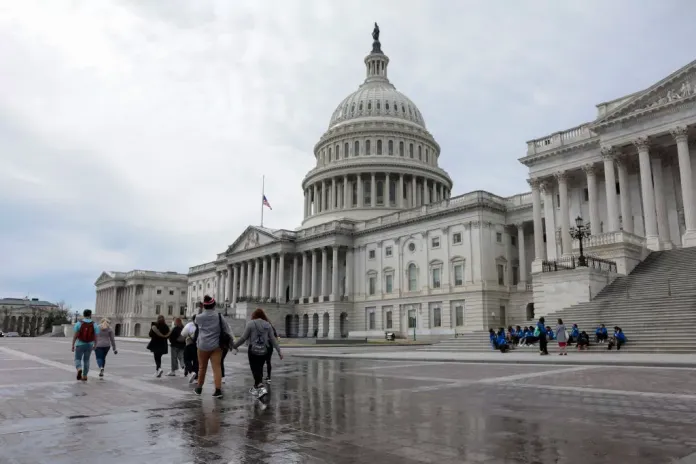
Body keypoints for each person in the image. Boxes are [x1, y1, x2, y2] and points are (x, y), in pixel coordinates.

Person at [232, 308, 283, 398]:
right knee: (259, 369)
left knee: (254, 369)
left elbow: (243, 338)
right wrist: (279, 352)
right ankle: (256, 388)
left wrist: (235, 346)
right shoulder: (268, 325)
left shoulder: (250, 324)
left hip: (253, 350)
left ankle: (260, 386)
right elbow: (273, 340)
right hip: (264, 351)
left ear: (254, 316)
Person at [194, 295, 233, 398]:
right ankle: (218, 390)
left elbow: (196, 322)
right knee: (217, 368)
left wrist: (200, 309)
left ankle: (199, 388)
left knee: (202, 368)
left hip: (202, 346)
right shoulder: (219, 316)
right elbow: (226, 329)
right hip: (216, 346)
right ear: (214, 305)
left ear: (204, 306)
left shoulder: (199, 317)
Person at [72, 309, 99, 381]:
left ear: (83, 315)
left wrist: (73, 344)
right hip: (89, 344)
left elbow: (75, 335)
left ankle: (79, 368)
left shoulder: (79, 323)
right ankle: (84, 376)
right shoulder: (94, 324)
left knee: (77, 359)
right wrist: (95, 344)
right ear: (90, 315)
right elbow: (96, 336)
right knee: (86, 360)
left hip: (80, 344)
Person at [182, 312, 200, 383]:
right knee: (196, 361)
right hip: (198, 346)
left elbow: (183, 334)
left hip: (189, 344)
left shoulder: (189, 325)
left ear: (193, 319)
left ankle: (191, 371)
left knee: (187, 359)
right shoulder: (202, 326)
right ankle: (196, 377)